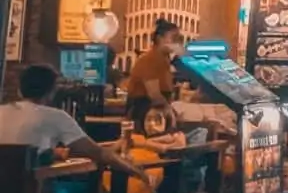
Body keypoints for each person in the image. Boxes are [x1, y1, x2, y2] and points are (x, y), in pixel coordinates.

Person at [1, 63, 148, 174]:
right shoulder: (56, 117)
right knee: (90, 190)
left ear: (19, 90)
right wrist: (139, 173)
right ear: (52, 91)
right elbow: (100, 154)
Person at [125, 19, 183, 118]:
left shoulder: (165, 60)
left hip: (155, 112)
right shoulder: (150, 59)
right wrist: (170, 111)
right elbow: (154, 95)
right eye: (174, 38)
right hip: (144, 114)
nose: (177, 43)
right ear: (160, 38)